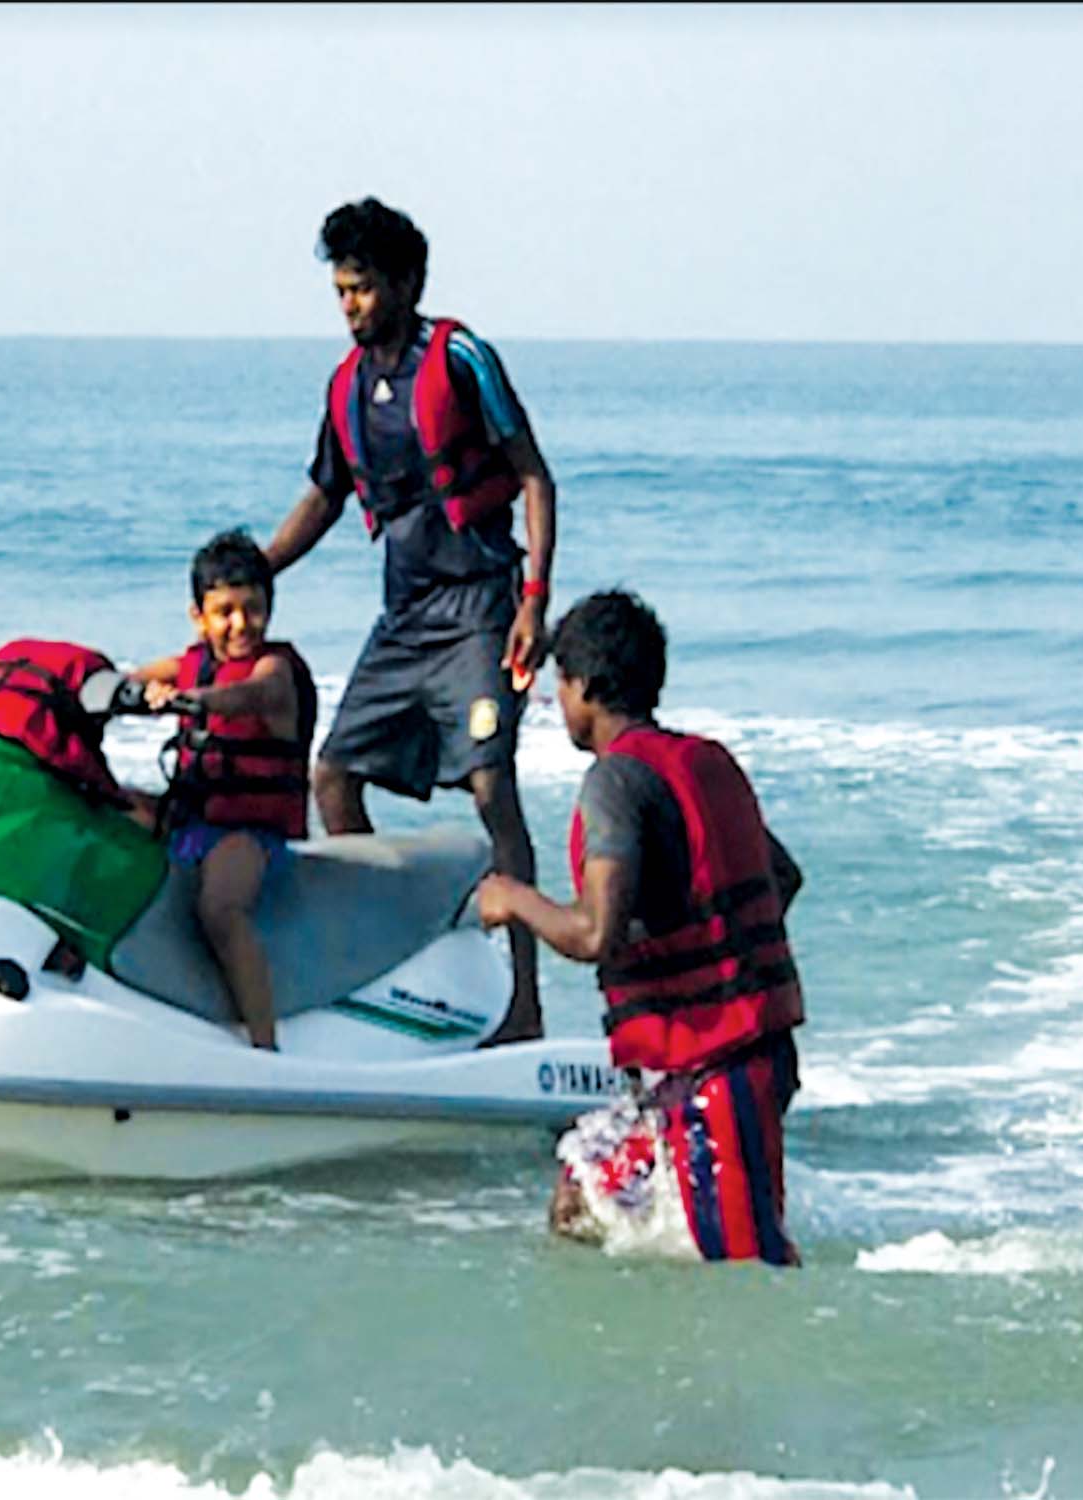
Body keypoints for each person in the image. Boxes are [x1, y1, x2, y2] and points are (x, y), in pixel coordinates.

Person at [264, 196, 556, 1044]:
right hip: (405, 618)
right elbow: (326, 493)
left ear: (406, 283)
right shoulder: (347, 386)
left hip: (480, 609)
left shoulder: (461, 358)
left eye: (361, 289)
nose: (350, 305)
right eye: (340, 291)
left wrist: (535, 600)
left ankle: (524, 1005)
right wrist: (261, 568)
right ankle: (386, 964)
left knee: (491, 787)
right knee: (332, 776)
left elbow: (534, 477)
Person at [476, 591, 807, 1265]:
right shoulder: (702, 763)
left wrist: (511, 897)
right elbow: (783, 877)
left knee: (747, 1269)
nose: (557, 701)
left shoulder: (614, 784)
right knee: (579, 1200)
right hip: (696, 1066)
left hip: (721, 1070)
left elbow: (593, 934)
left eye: (560, 684)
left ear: (587, 688)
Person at [129, 530, 318, 1051]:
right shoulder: (190, 661)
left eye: (252, 609)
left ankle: (264, 1043)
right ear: (199, 616)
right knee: (102, 809)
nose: (239, 624)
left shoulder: (273, 669)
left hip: (249, 834)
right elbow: (129, 678)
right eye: (225, 611)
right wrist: (112, 691)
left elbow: (250, 695)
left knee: (220, 908)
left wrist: (191, 701)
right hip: (191, 818)